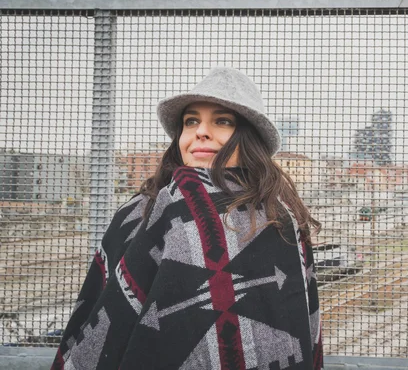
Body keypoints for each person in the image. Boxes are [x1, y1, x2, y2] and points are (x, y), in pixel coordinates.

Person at [51, 67, 323, 370]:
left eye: (222, 121)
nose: (200, 131)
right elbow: (101, 313)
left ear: (249, 139)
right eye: (190, 120)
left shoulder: (277, 218)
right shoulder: (134, 213)